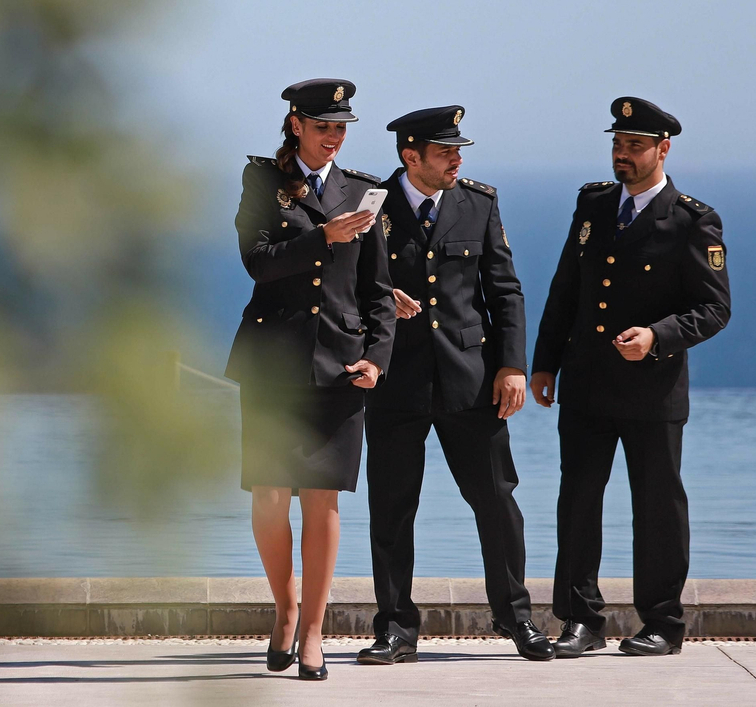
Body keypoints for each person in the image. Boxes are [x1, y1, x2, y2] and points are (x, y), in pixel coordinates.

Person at [531, 97, 731, 658]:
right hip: (588, 383)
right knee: (577, 503)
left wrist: (657, 336)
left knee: (658, 508)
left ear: (662, 150)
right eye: (617, 144)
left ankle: (663, 623)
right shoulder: (593, 204)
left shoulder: (693, 219)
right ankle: (579, 620)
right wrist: (544, 362)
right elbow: (566, 287)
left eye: (635, 146)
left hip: (653, 389)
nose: (623, 154)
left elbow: (714, 309)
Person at [357, 105, 554, 664]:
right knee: (392, 507)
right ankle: (396, 628)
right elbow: (344, 282)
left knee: (497, 501)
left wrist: (511, 366)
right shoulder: (371, 204)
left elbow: (504, 291)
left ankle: (516, 617)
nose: (456, 160)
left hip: (471, 381)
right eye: (445, 152)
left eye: (458, 151)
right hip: (396, 380)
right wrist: (379, 300)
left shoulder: (479, 202)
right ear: (409, 155)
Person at [225, 77, 396, 681]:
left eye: (342, 129)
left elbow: (377, 293)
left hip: (340, 366)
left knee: (323, 500)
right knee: (271, 498)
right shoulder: (262, 182)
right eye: (324, 127)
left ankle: (316, 632)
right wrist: (322, 236)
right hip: (273, 361)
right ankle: (285, 608)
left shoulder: (366, 192)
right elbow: (258, 262)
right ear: (296, 124)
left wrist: (378, 356)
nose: (334, 139)